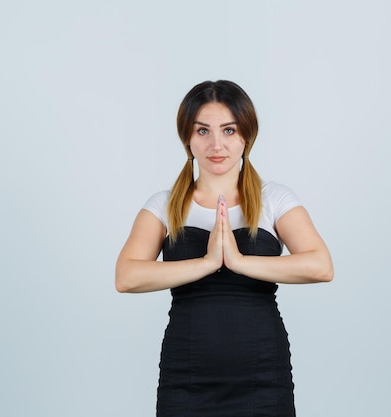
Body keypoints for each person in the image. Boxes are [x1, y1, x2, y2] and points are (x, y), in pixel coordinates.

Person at [115, 80, 333, 417]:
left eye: (229, 130)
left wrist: (238, 261)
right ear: (187, 139)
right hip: (186, 377)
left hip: (263, 376)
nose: (216, 144)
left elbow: (321, 266)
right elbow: (126, 276)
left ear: (246, 136)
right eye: (203, 131)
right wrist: (206, 262)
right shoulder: (162, 205)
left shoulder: (274, 199)